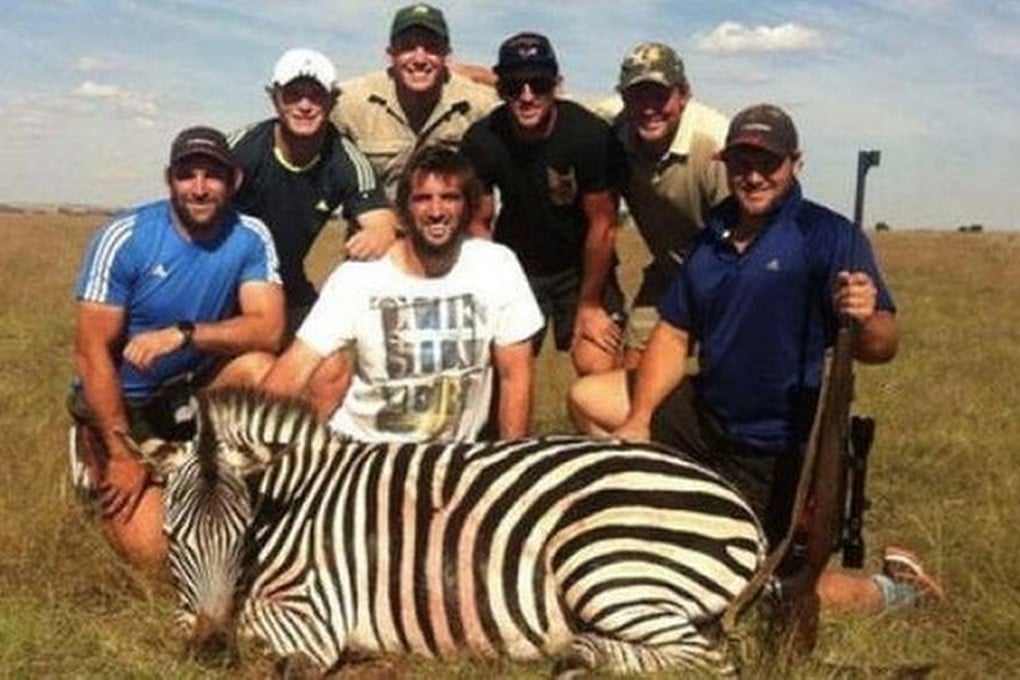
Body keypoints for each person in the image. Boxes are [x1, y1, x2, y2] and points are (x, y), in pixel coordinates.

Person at [568, 104, 943, 613]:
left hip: (777, 446)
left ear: (795, 163)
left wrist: (867, 314)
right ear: (726, 165)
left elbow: (882, 347)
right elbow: (675, 334)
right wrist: (638, 421)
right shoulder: (714, 236)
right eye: (741, 162)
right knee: (589, 396)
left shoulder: (827, 235)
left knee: (752, 588)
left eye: (767, 162)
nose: (753, 175)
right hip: (707, 421)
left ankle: (897, 590)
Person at [69, 126, 285, 570]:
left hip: (187, 394)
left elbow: (268, 331)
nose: (201, 189)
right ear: (170, 180)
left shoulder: (250, 235)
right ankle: (91, 453)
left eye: (213, 176)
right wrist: (122, 453)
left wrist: (184, 334)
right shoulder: (125, 237)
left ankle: (236, 480)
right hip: (122, 405)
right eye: (188, 175)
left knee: (263, 370)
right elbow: (91, 354)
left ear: (234, 182)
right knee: (156, 556)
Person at [261, 146, 542, 442]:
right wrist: (248, 436)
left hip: (451, 460)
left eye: (449, 198)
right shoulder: (358, 277)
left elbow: (516, 375)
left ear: (468, 205)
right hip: (365, 451)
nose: (436, 212)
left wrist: (509, 459)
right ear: (403, 211)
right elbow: (296, 367)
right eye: (422, 199)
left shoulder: (496, 265)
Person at [461, 31, 624, 376]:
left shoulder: (588, 135)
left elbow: (604, 224)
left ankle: (597, 429)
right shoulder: (482, 139)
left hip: (582, 267)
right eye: (513, 86)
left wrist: (591, 303)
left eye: (538, 84)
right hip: (516, 266)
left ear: (557, 84)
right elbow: (478, 222)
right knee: (495, 370)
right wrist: (494, 283)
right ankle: (502, 433)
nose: (527, 96)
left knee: (598, 360)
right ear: (500, 89)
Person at [230, 47, 398, 338]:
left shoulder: (347, 159)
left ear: (332, 101)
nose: (304, 105)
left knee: (327, 356)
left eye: (316, 95)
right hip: (224, 277)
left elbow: (381, 224)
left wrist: (378, 235)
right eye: (293, 94)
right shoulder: (239, 149)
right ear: (274, 98)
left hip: (287, 280)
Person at [602, 42, 730, 369]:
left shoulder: (716, 144)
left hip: (729, 279)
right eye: (636, 97)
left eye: (659, 96)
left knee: (728, 377)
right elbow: (557, 105)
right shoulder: (615, 132)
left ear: (683, 94)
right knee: (634, 371)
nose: (647, 108)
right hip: (670, 273)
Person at [332, 3, 499, 200]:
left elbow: (527, 102)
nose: (420, 58)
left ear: (447, 55)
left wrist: (485, 75)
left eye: (431, 48)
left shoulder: (479, 104)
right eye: (408, 47)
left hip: (451, 227)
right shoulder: (349, 103)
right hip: (377, 226)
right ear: (390, 54)